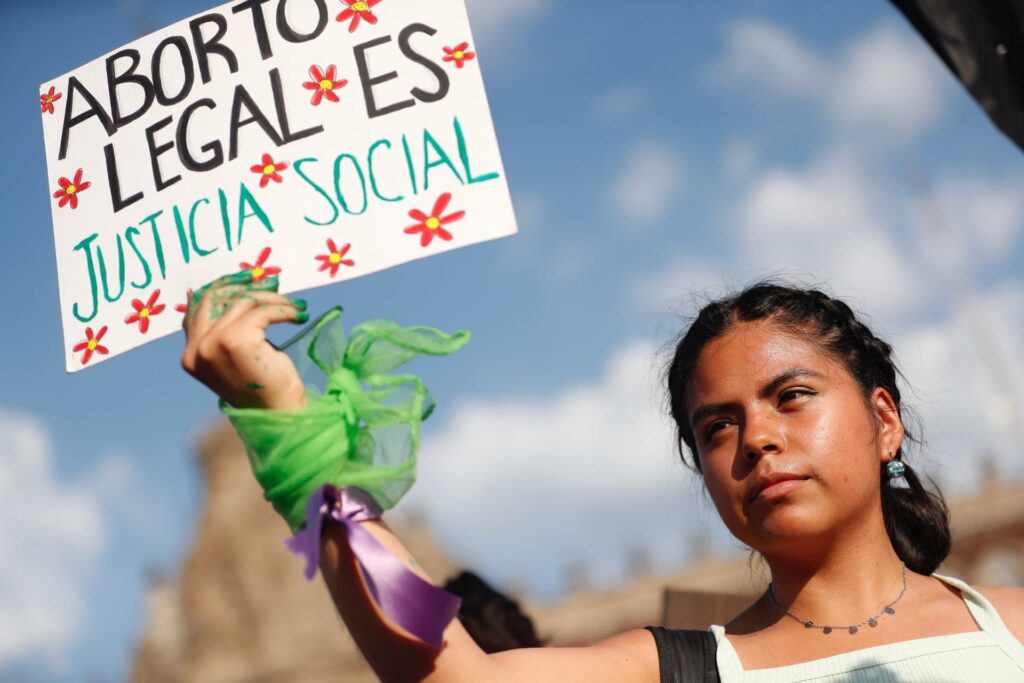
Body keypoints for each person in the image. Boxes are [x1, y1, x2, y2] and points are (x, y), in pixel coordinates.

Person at [181, 279, 1024, 681]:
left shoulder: (1011, 624)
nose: (758, 438)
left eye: (792, 395)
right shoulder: (678, 670)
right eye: (716, 426)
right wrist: (295, 434)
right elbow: (451, 672)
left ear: (884, 419)